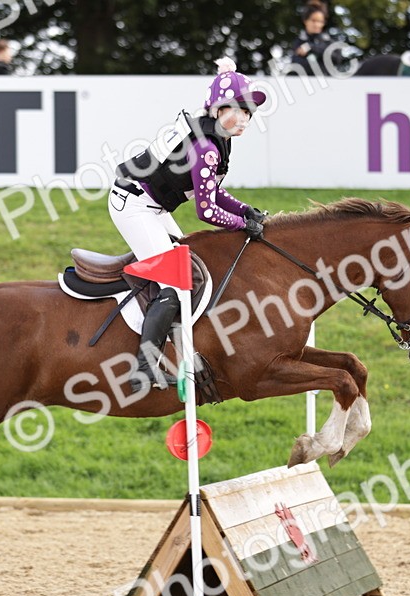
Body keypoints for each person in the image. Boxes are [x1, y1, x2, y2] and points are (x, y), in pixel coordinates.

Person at [112, 57, 267, 391]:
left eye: (248, 113)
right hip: (134, 206)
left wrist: (245, 210)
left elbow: (213, 191)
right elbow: (206, 210)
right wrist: (242, 224)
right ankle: (142, 368)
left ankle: (179, 351)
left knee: (190, 266)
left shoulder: (218, 137)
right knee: (176, 282)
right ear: (216, 110)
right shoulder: (208, 147)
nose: (244, 119)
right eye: (237, 110)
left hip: (150, 205)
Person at [289, 1, 339, 77]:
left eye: (320, 21)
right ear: (305, 21)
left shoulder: (328, 41)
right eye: (313, 20)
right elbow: (297, 65)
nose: (317, 24)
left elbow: (337, 58)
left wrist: (311, 47)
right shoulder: (298, 42)